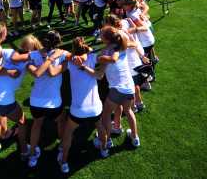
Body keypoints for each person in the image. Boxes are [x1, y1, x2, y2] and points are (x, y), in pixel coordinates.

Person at [0, 28, 38, 164]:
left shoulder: (8, 51)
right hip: (4, 100)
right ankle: (25, 151)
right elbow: (37, 71)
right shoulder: (30, 60)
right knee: (22, 122)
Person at [55, 37, 108, 174]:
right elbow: (97, 53)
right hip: (95, 108)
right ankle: (104, 149)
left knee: (68, 133)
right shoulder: (92, 57)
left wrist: (72, 55)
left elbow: (62, 53)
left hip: (78, 111)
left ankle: (64, 161)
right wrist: (86, 52)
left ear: (73, 49)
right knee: (100, 127)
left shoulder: (70, 62)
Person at [25, 31, 66, 168]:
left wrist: (45, 57)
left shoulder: (32, 56)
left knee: (37, 124)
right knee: (61, 121)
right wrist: (50, 58)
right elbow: (53, 72)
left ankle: (32, 154)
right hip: (54, 103)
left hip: (36, 102)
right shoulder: (62, 55)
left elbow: (36, 72)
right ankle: (61, 146)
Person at [94, 26, 140, 148]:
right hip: (129, 87)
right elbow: (132, 44)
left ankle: (107, 140)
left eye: (101, 34)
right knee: (128, 110)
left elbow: (100, 75)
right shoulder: (122, 46)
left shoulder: (106, 53)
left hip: (117, 89)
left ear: (106, 39)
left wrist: (95, 61)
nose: (100, 35)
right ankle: (135, 138)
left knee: (106, 114)